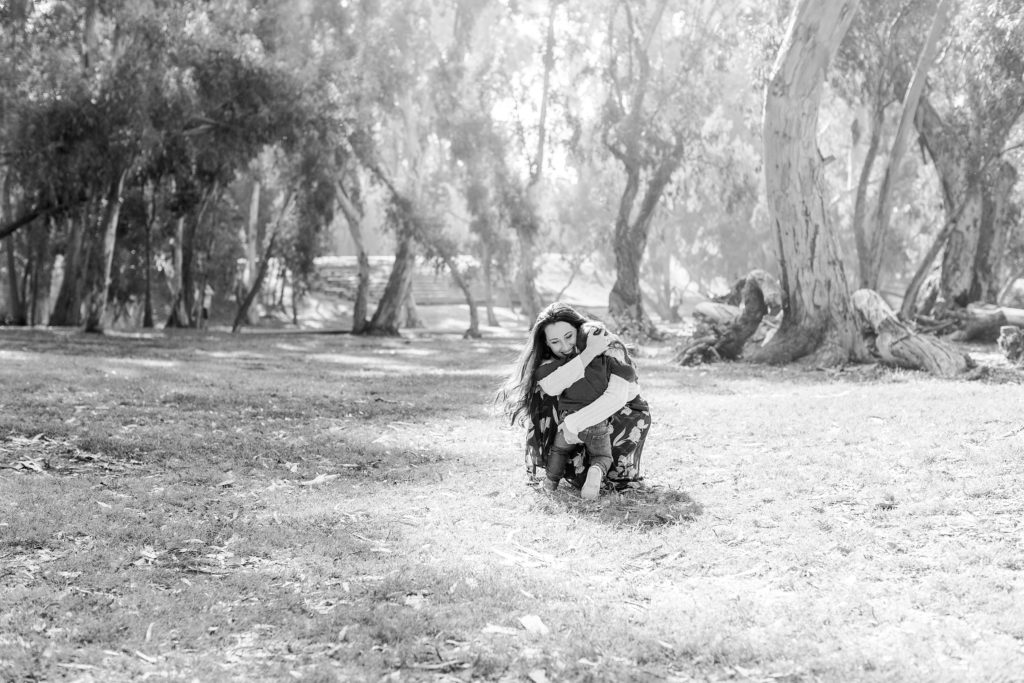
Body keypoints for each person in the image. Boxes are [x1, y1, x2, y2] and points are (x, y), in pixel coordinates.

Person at [498, 302, 651, 497]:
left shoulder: (606, 343)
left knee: (610, 475)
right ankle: (566, 469)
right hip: (581, 420)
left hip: (622, 416)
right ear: (546, 343)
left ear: (578, 327)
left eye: (569, 336)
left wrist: (571, 424)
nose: (565, 347)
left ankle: (600, 468)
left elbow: (616, 398)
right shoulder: (554, 358)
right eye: (555, 342)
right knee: (580, 476)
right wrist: (588, 354)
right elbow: (552, 386)